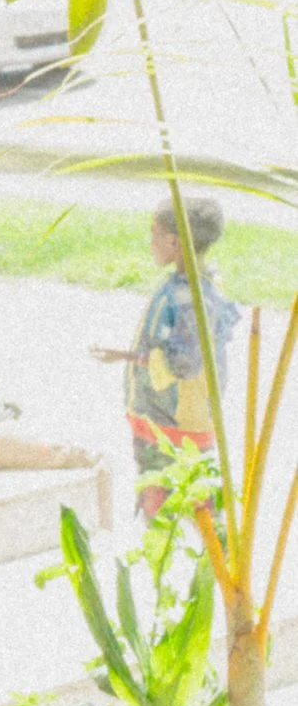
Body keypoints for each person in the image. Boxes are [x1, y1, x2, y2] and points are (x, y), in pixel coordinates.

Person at [97, 195, 241, 518]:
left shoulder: (191, 297)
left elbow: (184, 362)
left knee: (170, 501)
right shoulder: (191, 284)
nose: (150, 242)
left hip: (171, 424)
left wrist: (125, 356)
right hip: (173, 420)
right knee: (189, 498)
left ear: (175, 242)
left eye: (154, 234)